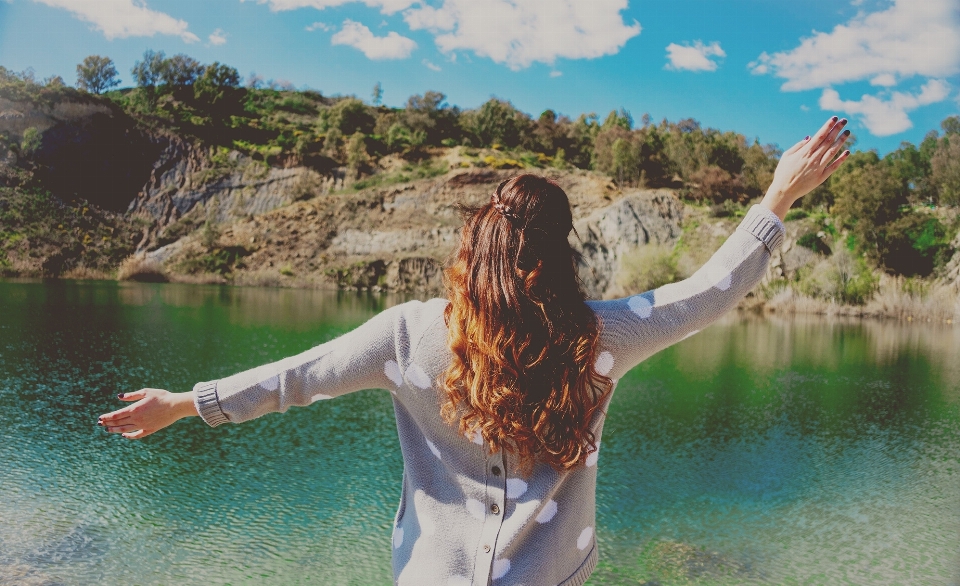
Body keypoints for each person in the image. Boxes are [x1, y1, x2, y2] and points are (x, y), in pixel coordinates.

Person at [99, 117, 851, 585]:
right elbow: (706, 295)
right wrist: (776, 198)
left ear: (474, 244)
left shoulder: (408, 334)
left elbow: (297, 378)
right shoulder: (597, 335)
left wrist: (186, 404)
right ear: (558, 253)